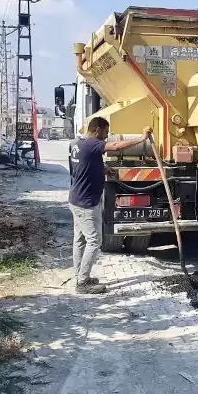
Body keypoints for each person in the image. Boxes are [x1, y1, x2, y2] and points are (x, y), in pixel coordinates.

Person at [68, 117, 150, 294]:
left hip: (77, 199)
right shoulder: (93, 144)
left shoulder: (79, 144)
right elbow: (116, 147)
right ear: (97, 130)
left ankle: (81, 276)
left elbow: (85, 164)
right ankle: (82, 283)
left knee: (80, 240)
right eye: (105, 132)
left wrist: (104, 170)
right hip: (86, 203)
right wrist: (142, 138)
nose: (106, 137)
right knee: (94, 240)